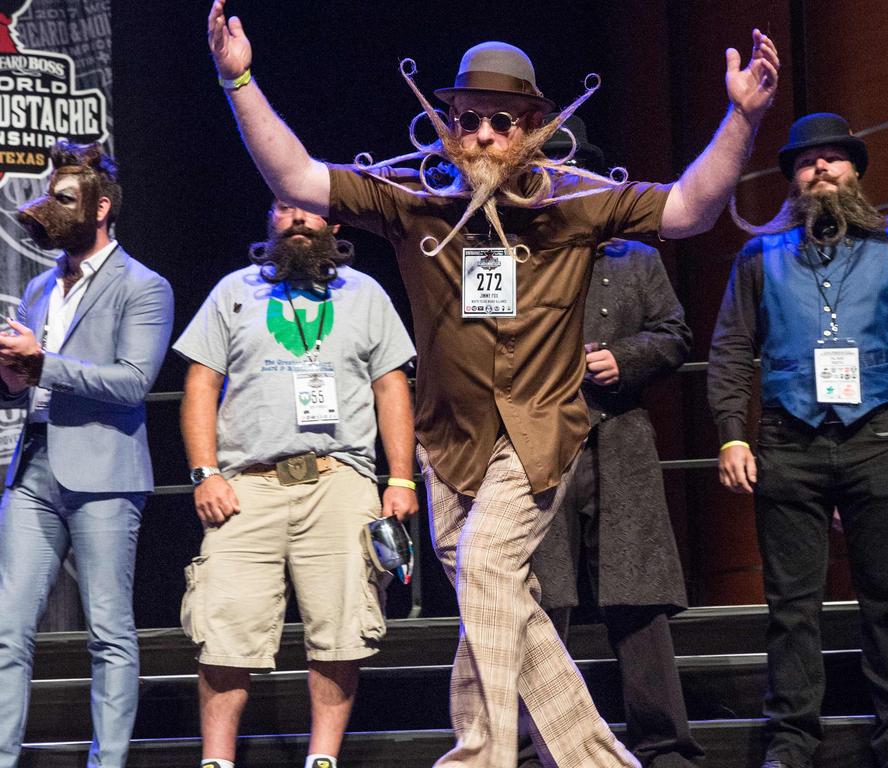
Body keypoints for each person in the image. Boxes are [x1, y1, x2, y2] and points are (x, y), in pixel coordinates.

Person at [206, 3, 779, 764]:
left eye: (501, 122)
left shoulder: (573, 201)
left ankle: (481, 756)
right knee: (504, 601)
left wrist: (741, 119)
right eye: (469, 118)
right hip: (451, 442)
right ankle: (589, 758)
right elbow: (296, 175)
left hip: (537, 432)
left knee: (485, 569)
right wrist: (238, 78)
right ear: (449, 122)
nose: (481, 134)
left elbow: (690, 208)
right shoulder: (417, 199)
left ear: (534, 126)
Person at [708, 111, 888, 768]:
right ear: (792, 176)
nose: (820, 167)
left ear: (854, 171)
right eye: (806, 160)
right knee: (791, 607)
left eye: (833, 158)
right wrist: (733, 436)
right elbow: (732, 351)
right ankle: (791, 742)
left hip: (879, 441)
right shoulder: (758, 256)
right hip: (788, 448)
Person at [173, 199, 417, 768]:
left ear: (334, 224)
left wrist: (400, 477)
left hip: (339, 478)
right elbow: (201, 385)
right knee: (224, 625)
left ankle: (322, 759)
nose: (299, 219)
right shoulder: (234, 290)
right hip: (246, 485)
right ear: (270, 220)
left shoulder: (365, 293)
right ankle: (217, 761)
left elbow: (392, 388)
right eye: (286, 208)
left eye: (311, 209)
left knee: (341, 626)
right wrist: (204, 472)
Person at [517, 115, 701, 768]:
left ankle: (665, 747)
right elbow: (474, 345)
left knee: (638, 596)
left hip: (619, 439)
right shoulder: (505, 256)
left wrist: (624, 358)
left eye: (577, 175)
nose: (565, 186)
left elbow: (676, 334)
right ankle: (534, 747)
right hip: (536, 443)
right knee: (542, 597)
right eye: (553, 175)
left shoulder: (637, 257)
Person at [0, 140, 174, 768]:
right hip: (36, 465)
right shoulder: (42, 287)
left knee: (108, 631)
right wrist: (15, 373)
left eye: (66, 199)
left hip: (103, 472)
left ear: (101, 208)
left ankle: (110, 762)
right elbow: (25, 380)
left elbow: (132, 381)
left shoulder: (144, 286)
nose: (53, 208)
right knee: (6, 628)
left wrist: (43, 363)